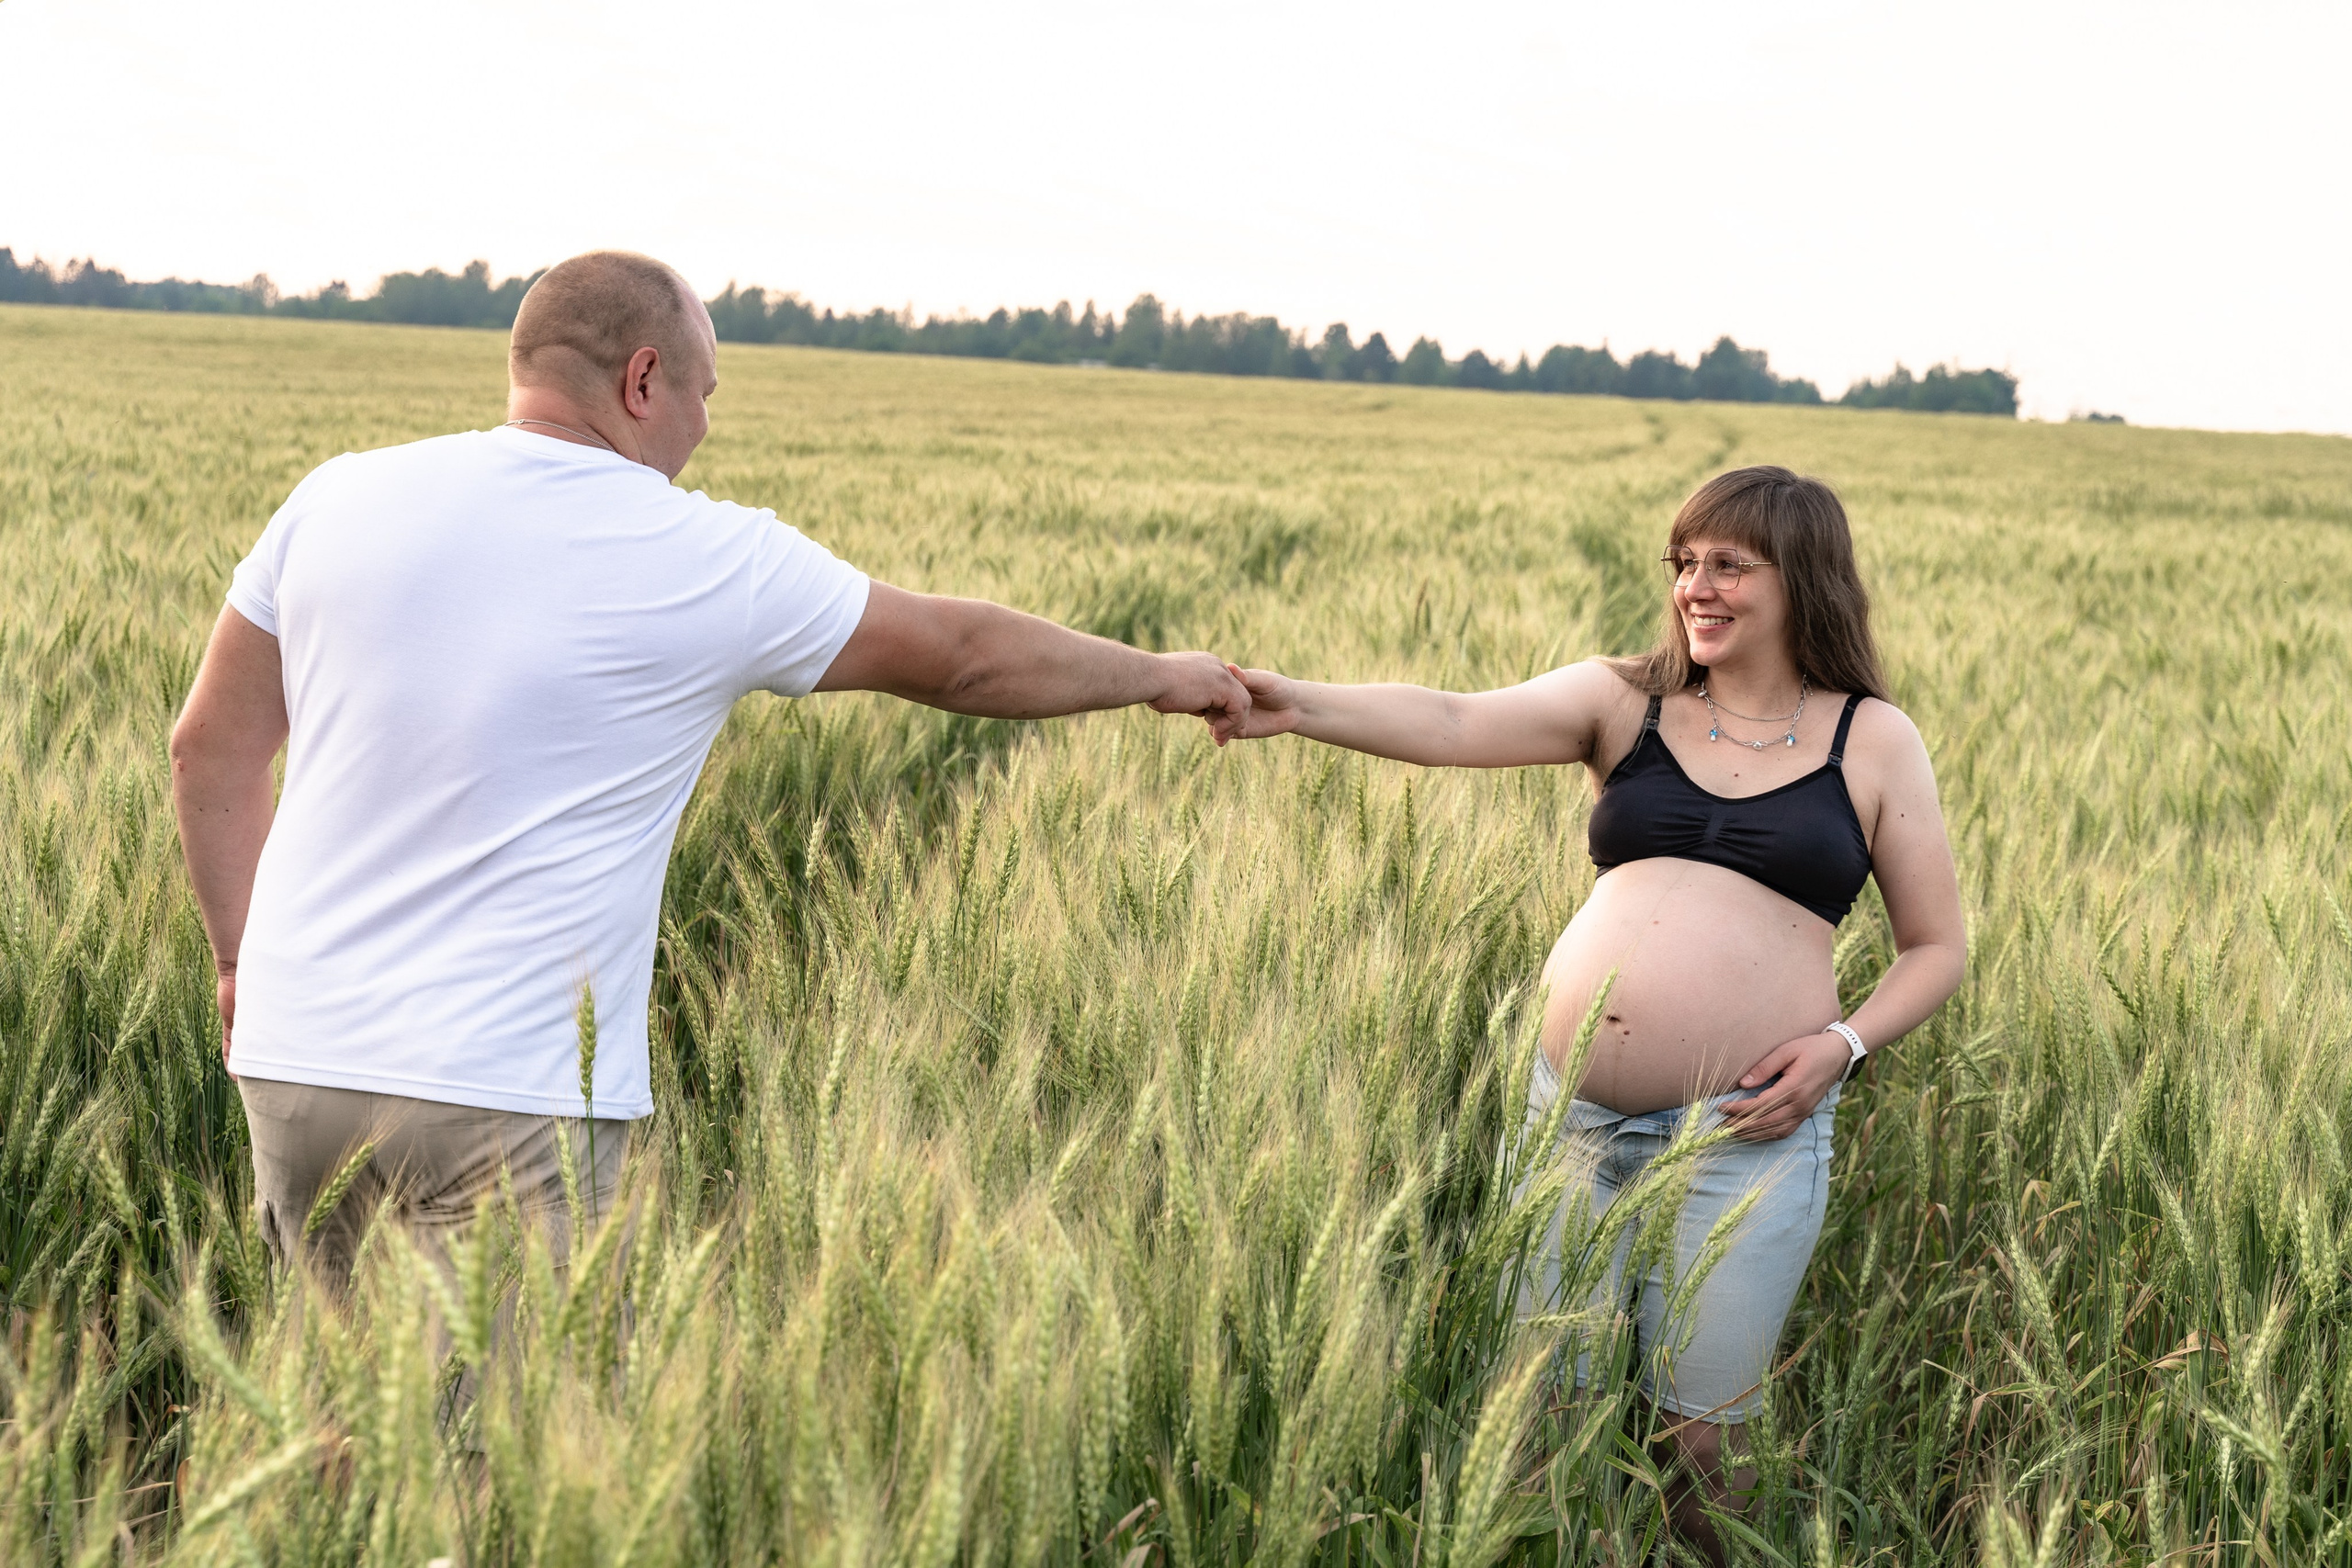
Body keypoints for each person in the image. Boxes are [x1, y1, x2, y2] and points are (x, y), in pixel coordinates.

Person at [169, 249, 1251, 1290]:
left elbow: (208, 745)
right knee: (517, 1461)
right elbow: (963, 657)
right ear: (644, 380)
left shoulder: (336, 497)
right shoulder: (703, 554)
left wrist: (238, 961)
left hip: (293, 1059)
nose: (704, 427)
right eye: (705, 393)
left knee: (342, 1437)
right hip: (505, 1094)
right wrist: (1154, 672)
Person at [1215, 466, 1963, 1561]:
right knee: (1536, 1424)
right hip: (1563, 1122)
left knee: (1706, 1447)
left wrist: (1842, 1048)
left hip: (1741, 1139)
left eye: (1726, 566)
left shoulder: (1872, 740)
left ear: (1801, 579)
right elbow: (1455, 717)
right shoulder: (1627, 701)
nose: (1693, 588)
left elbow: (1935, 949)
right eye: (1682, 564)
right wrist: (1301, 705)